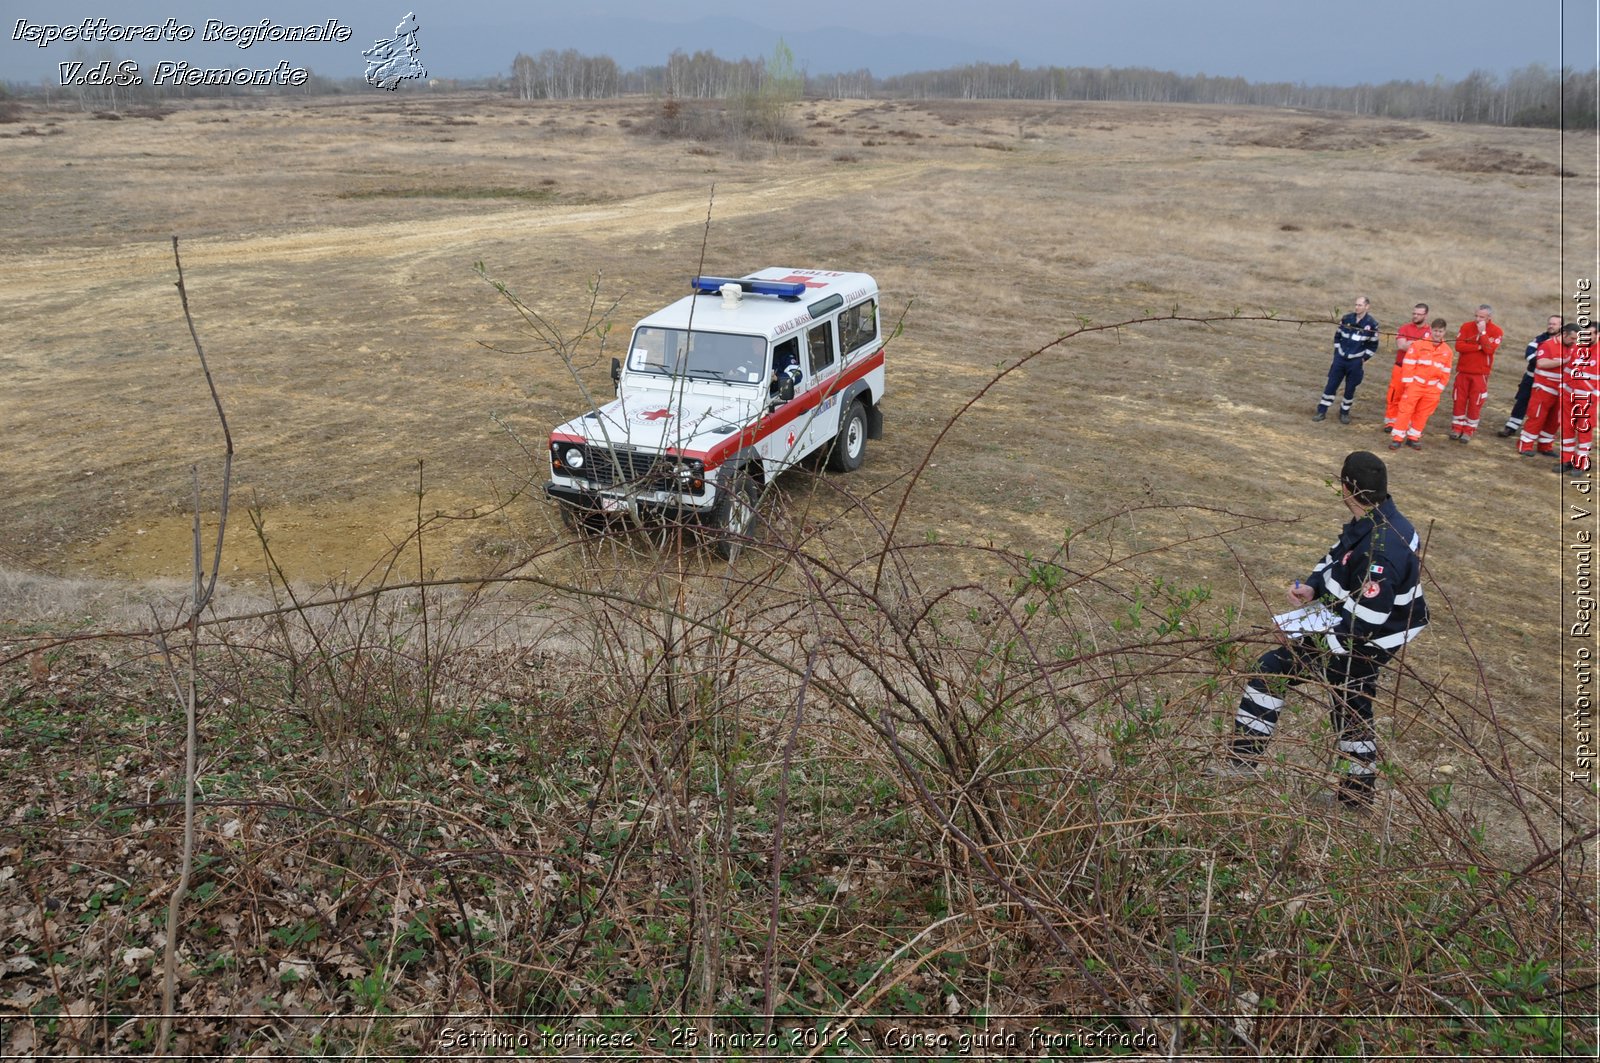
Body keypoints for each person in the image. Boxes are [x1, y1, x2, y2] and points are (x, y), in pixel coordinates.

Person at [1218, 451, 1427, 809]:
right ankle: (1356, 796)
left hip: (1368, 637)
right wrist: (1314, 585)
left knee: (1273, 670)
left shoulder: (1382, 550)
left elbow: (1363, 625)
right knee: (1351, 704)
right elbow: (1338, 556)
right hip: (1352, 622)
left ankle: (1242, 763)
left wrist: (1300, 636)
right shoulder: (1377, 519)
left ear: (1346, 486)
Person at [1389, 318, 1454, 450]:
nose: (1437, 334)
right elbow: (1408, 364)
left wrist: (1438, 388)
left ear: (1444, 332)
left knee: (1423, 413)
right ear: (1431, 330)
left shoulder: (1447, 351)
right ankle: (1397, 438)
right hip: (1415, 384)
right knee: (1405, 410)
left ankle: (1413, 437)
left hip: (1432, 389)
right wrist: (1409, 384)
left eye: (1440, 331)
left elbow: (1446, 372)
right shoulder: (1418, 345)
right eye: (1435, 331)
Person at [1315, 297, 1379, 424]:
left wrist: (1363, 359)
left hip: (1355, 362)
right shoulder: (1346, 318)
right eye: (1356, 305)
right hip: (1340, 359)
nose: (1357, 307)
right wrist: (1338, 353)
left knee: (1350, 388)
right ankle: (1321, 411)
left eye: (1360, 305)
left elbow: (1373, 345)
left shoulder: (1372, 324)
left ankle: (1344, 412)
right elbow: (1337, 336)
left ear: (1367, 307)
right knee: (1331, 385)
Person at [1499, 315, 1562, 438]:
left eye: (1554, 324)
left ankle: (1539, 432)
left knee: (1545, 406)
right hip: (1531, 377)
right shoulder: (1539, 339)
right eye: (1549, 323)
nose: (1551, 326)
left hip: (1550, 382)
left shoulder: (1564, 343)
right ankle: (1511, 426)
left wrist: (1547, 363)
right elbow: (1529, 355)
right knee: (1522, 401)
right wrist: (1547, 364)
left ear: (1561, 326)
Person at [1448, 304, 1504, 443]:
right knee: (1458, 400)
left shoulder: (1496, 331)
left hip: (1480, 374)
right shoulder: (1466, 326)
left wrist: (1483, 333)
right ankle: (1456, 428)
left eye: (1481, 317)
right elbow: (1459, 346)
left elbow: (1490, 350)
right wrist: (1479, 347)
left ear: (1489, 318)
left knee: (1475, 402)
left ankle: (1469, 430)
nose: (1478, 319)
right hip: (1463, 371)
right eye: (1476, 316)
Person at [1519, 323, 1575, 459]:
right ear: (1564, 334)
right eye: (1572, 338)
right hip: (1544, 388)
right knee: (1536, 417)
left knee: (1554, 420)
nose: (1574, 342)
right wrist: (1564, 360)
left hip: (1562, 390)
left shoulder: (1572, 347)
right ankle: (1525, 445)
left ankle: (1545, 445)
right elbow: (1541, 363)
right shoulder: (1547, 344)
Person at [1384, 303, 1431, 434]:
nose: (1415, 316)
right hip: (1400, 367)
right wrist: (1418, 344)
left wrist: (1410, 343)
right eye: (1414, 313)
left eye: (1418, 314)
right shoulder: (1404, 328)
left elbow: (1426, 351)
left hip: (1417, 370)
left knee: (1411, 398)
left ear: (1425, 315)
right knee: (1394, 394)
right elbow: (1401, 346)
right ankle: (1390, 421)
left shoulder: (1430, 333)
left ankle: (1405, 422)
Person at [1559, 326, 1596, 474]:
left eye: (1590, 334)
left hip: (1587, 400)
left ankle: (1580, 464)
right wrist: (1562, 387)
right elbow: (1568, 369)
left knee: (1584, 431)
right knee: (1566, 428)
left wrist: (1594, 397)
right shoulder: (1577, 348)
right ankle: (1565, 460)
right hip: (1569, 396)